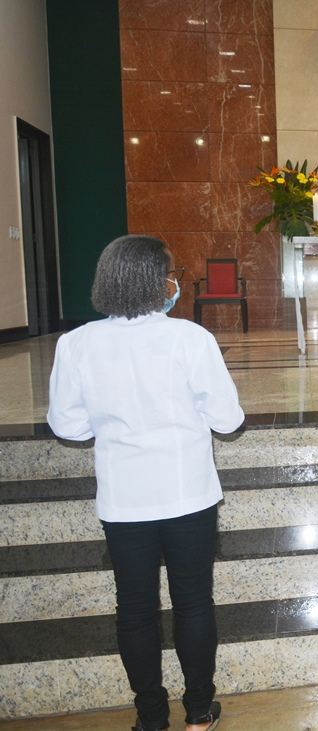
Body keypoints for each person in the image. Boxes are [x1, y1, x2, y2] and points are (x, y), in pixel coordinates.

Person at [47, 235, 244, 731]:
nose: (174, 283)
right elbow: (228, 420)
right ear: (157, 282)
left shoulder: (76, 344)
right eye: (171, 274)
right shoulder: (189, 339)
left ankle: (151, 718)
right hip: (188, 494)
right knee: (193, 603)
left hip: (124, 499)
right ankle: (199, 711)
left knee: (134, 610)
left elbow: (68, 426)